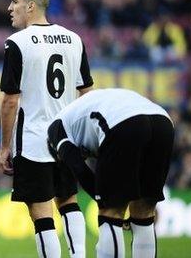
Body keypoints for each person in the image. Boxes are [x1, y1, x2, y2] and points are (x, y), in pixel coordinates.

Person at [0, 0, 94, 258]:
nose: (9, 7)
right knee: (69, 202)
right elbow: (86, 92)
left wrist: (5, 147)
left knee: (41, 213)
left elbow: (10, 100)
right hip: (65, 139)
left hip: (33, 141)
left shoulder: (17, 43)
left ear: (31, 6)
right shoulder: (74, 39)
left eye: (14, 2)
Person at [47, 88, 174, 258]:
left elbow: (77, 167)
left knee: (110, 214)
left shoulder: (55, 129)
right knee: (143, 213)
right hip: (163, 122)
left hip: (122, 122)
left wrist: (104, 201)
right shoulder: (81, 115)